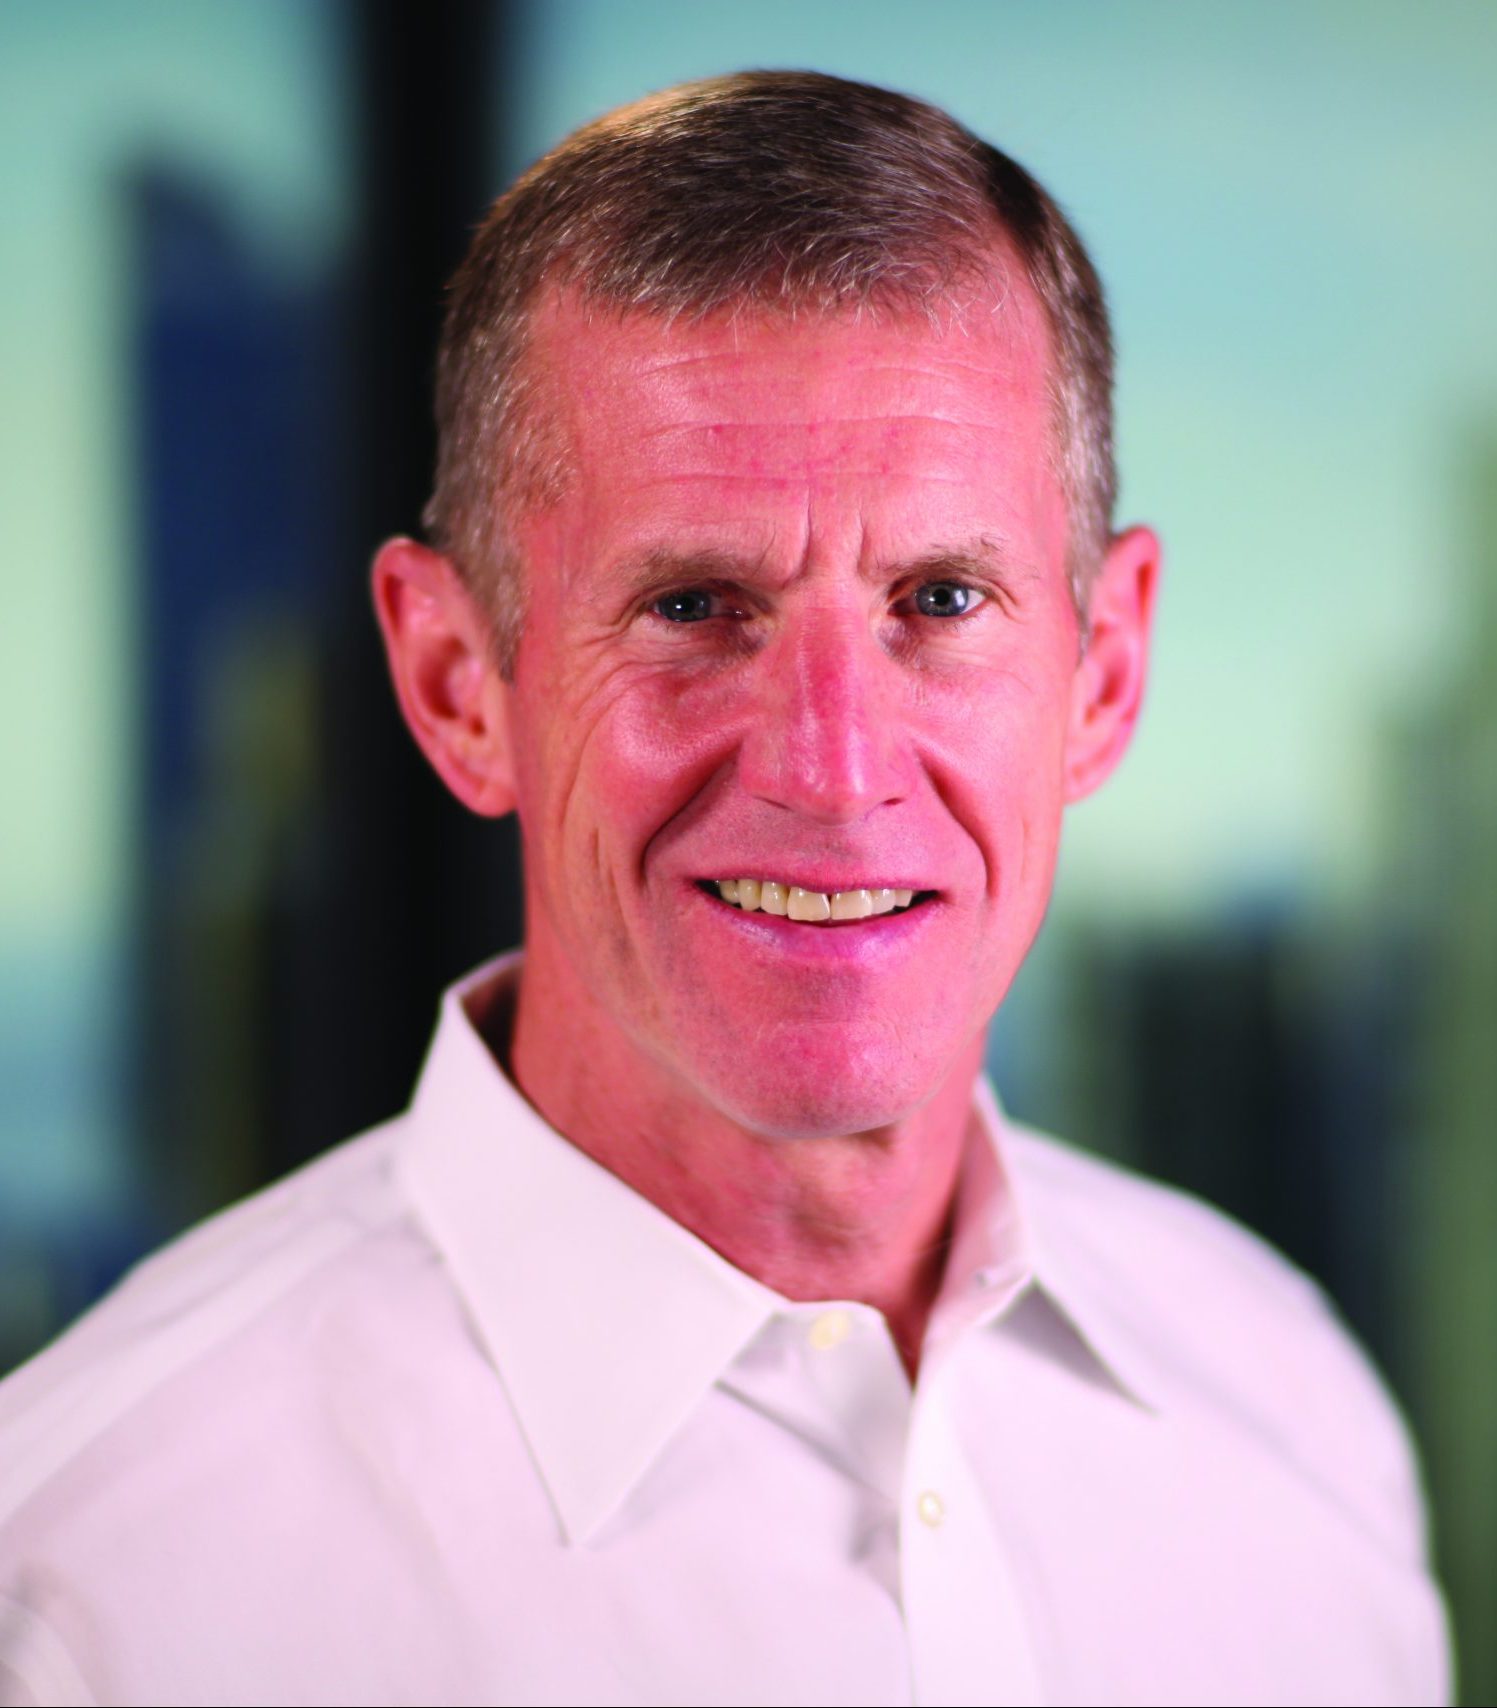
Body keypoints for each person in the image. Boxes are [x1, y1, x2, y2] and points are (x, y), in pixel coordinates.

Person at [0, 70, 1450, 1708]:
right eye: (692, 605)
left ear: (1103, 673)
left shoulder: (1294, 1413)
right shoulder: (85, 1597)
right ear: (459, 683)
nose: (831, 768)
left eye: (940, 599)